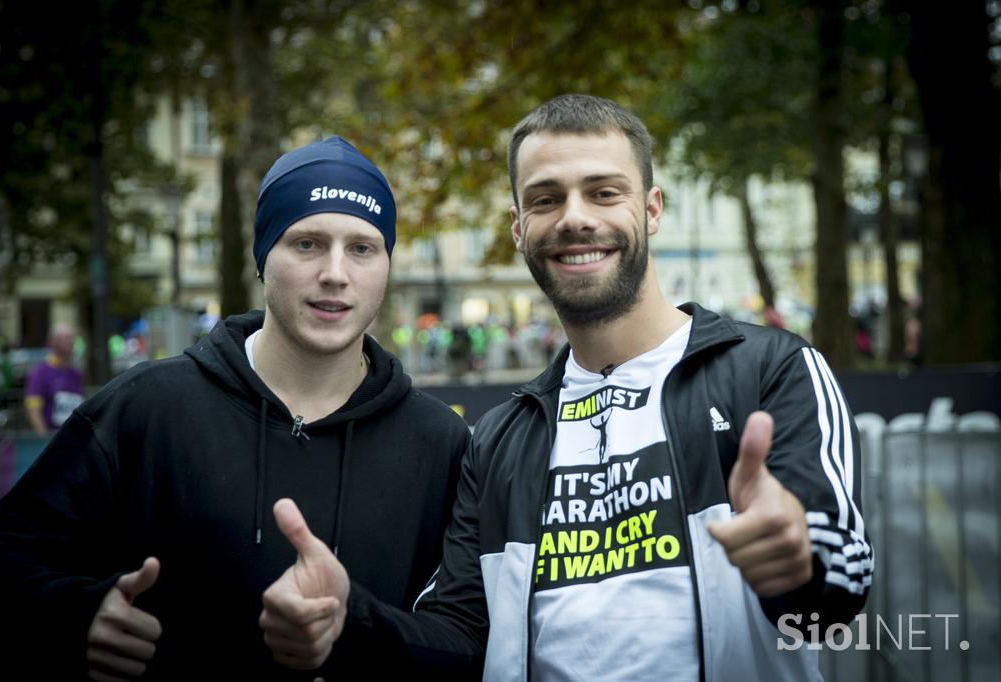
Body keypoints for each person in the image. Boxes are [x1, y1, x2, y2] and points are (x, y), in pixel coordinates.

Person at [270, 95, 874, 680]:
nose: (576, 217)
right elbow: (459, 637)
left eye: (604, 192)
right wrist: (351, 622)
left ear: (652, 209)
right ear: (518, 227)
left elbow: (833, 600)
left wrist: (799, 563)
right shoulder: (501, 437)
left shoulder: (769, 369)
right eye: (546, 198)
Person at [0, 136, 471, 679]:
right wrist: (74, 618)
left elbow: (468, 642)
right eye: (307, 243)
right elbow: (1, 562)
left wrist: (353, 627)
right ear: (263, 258)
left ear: (384, 265)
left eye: (362, 247)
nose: (335, 272)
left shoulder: (438, 442)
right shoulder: (147, 409)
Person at [24, 323, 84, 436]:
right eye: (67, 338)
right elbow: (33, 409)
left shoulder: (76, 374)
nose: (71, 342)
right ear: (53, 342)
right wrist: (44, 438)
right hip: (51, 438)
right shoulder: (39, 372)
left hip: (73, 439)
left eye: (73, 338)